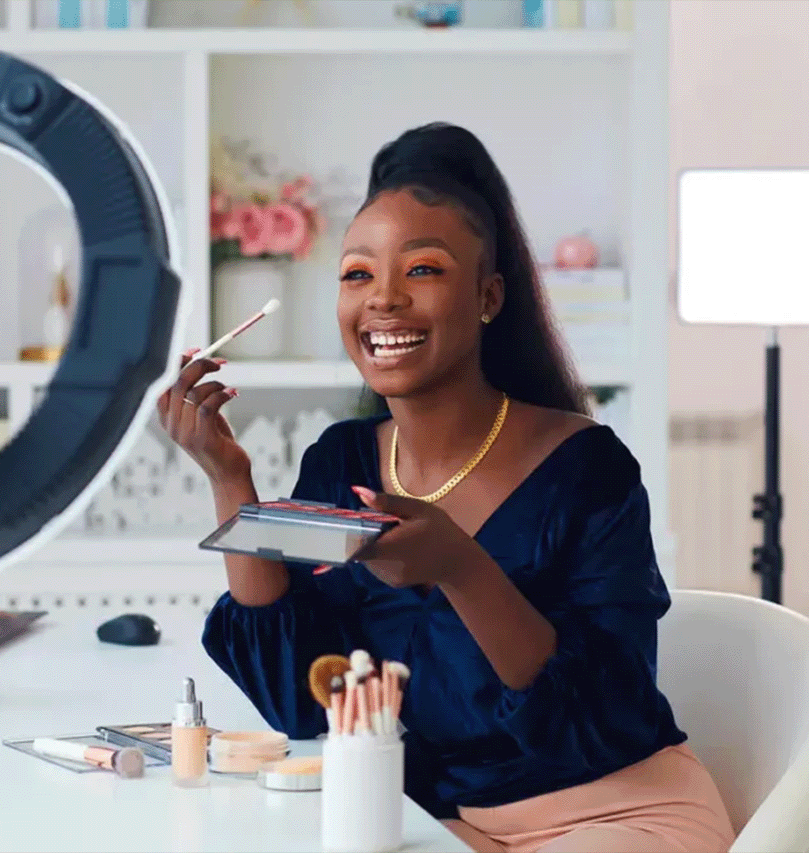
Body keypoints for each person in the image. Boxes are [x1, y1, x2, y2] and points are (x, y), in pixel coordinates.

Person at [157, 123, 736, 853]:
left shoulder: (587, 468)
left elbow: (604, 716)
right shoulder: (341, 462)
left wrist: (462, 569)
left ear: (489, 295)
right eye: (358, 274)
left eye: (423, 270)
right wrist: (229, 477)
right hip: (435, 823)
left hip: (612, 814)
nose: (384, 300)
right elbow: (301, 698)